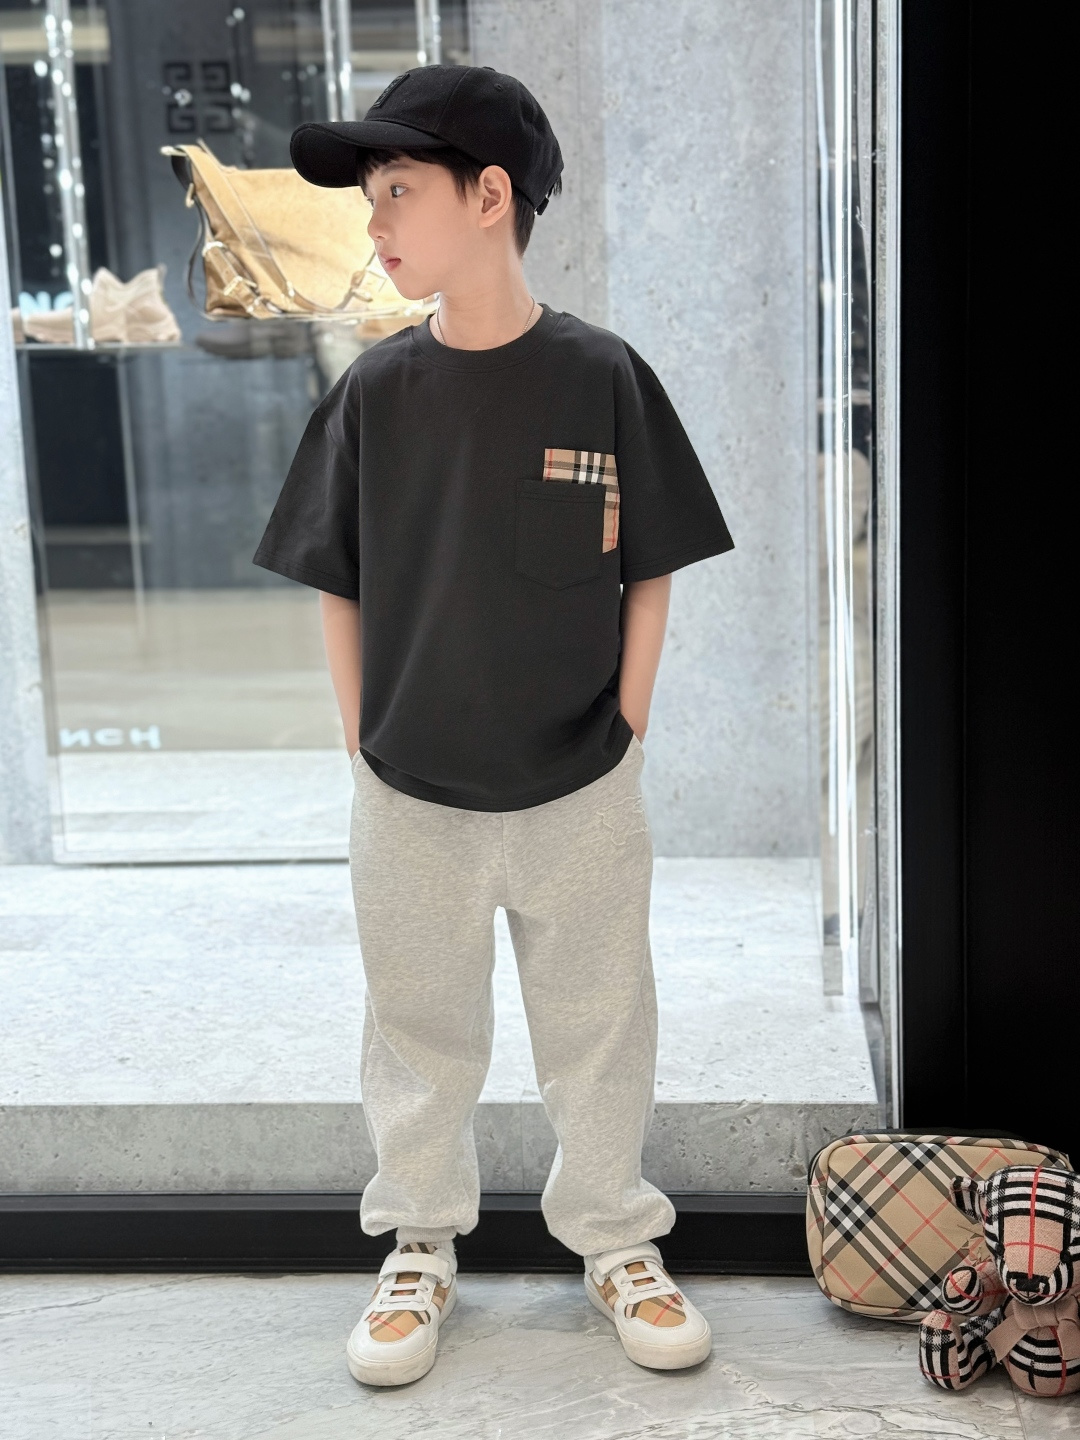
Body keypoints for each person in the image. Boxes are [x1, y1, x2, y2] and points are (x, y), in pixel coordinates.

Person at [253, 62, 734, 1388]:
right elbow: (338, 579)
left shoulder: (601, 376)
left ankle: (617, 1239)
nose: (375, 224)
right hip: (411, 790)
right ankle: (418, 1245)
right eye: (370, 199)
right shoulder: (375, 393)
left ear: (488, 196)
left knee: (601, 1028)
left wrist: (628, 722)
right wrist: (364, 740)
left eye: (396, 191)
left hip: (581, 783)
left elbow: (653, 563)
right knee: (417, 1033)